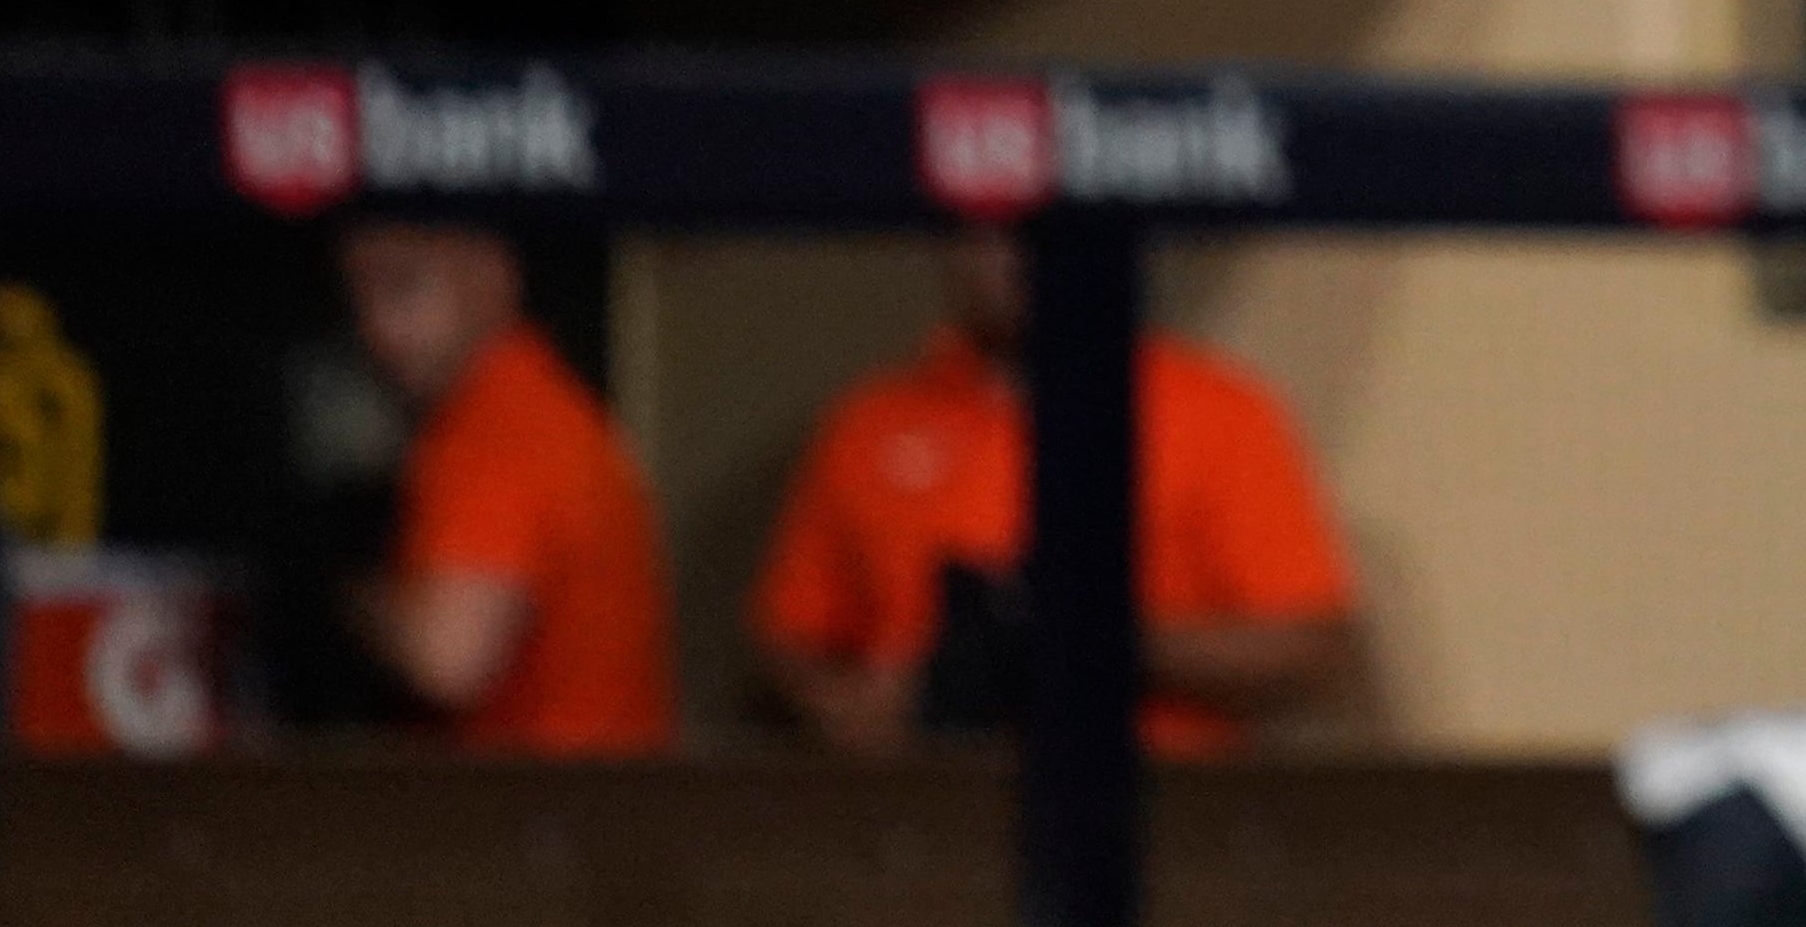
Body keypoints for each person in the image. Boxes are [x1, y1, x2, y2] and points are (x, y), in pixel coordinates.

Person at [749, 229, 1358, 751]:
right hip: (924, 808)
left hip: (1162, 808)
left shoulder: (1220, 413)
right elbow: (788, 642)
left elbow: (1311, 645)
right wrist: (849, 710)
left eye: (1049, 225)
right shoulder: (869, 424)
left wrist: (1086, 641)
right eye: (997, 229)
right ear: (953, 244)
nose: (1024, 251)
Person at [332, 219, 674, 751]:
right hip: (592, 806)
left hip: (546, 813)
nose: (378, 328)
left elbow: (449, 658)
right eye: (359, 297)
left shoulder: (497, 421)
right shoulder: (544, 401)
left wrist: (357, 604)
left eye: (404, 284)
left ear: (493, 273)